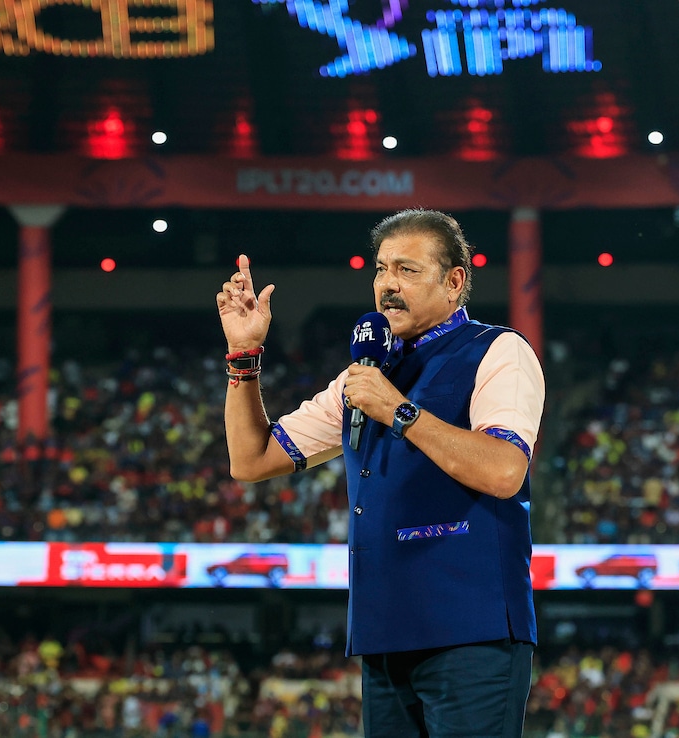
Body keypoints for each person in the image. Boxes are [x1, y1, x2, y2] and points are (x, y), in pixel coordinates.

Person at [216, 208, 546, 738]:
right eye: (380, 269)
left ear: (454, 281)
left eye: (407, 270)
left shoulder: (497, 350)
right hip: (383, 630)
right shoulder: (365, 375)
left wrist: (399, 411)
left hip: (473, 630)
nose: (387, 285)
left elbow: (505, 471)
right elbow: (251, 460)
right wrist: (243, 355)